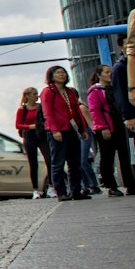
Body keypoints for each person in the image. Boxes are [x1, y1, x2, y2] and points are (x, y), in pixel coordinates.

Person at [40, 66, 91, 202]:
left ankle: (75, 191)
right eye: (58, 73)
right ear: (51, 76)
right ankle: (61, 192)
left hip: (72, 130)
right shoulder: (48, 92)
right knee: (58, 162)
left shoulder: (69, 91)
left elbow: (77, 111)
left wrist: (83, 129)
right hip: (58, 131)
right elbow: (48, 113)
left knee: (75, 163)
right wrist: (54, 130)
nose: (61, 75)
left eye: (63, 72)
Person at [100, 51, 135, 196]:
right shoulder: (97, 91)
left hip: (119, 124)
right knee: (110, 155)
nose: (109, 74)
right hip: (108, 126)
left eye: (110, 72)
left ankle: (130, 184)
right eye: (106, 72)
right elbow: (96, 111)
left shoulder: (112, 88)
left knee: (125, 155)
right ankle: (113, 185)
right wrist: (103, 127)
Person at [15, 85, 54, 198]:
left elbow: (46, 119)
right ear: (27, 96)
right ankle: (35, 189)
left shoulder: (40, 107)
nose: (36, 96)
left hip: (41, 135)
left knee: (49, 159)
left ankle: (51, 187)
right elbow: (18, 125)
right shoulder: (23, 109)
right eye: (34, 94)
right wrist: (30, 126)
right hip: (29, 136)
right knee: (33, 163)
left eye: (37, 94)